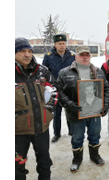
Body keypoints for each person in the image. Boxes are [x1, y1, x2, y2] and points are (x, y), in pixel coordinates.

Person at [57, 46, 109, 172]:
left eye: (87, 55)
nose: (85, 57)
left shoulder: (98, 71)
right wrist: (69, 104)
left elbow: (106, 89)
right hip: (76, 112)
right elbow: (58, 91)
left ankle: (94, 156)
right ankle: (77, 159)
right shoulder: (65, 72)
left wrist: (105, 104)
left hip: (94, 111)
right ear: (76, 57)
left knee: (95, 135)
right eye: (82, 55)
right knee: (77, 138)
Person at [15, 37, 58, 180]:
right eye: (22, 51)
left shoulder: (42, 71)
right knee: (17, 167)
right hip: (18, 132)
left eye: (29, 51)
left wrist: (50, 110)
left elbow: (55, 90)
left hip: (41, 128)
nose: (27, 54)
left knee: (45, 163)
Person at [42, 34, 75, 143]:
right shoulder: (49, 56)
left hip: (69, 88)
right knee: (56, 113)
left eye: (63, 43)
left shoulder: (72, 56)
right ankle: (57, 133)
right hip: (55, 88)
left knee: (70, 110)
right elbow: (45, 72)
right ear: (55, 45)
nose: (62, 45)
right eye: (59, 43)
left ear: (66, 44)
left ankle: (71, 131)